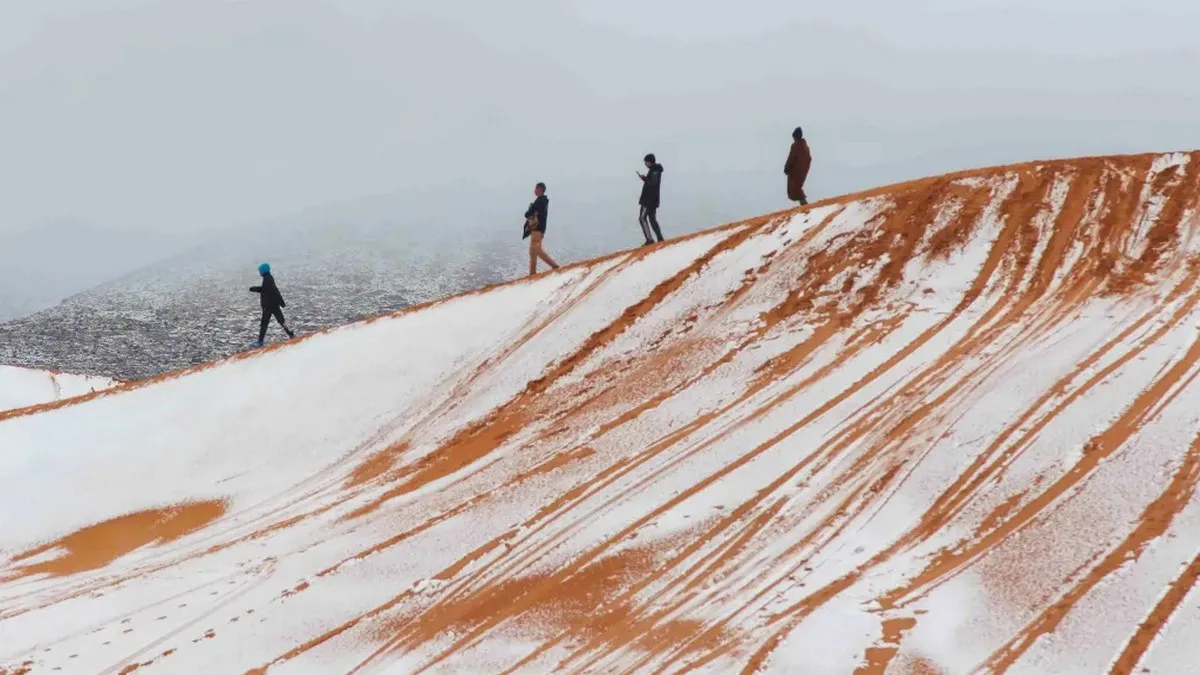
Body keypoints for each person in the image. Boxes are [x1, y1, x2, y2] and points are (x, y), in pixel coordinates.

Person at [249, 263, 295, 347]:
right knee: (281, 321)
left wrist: (253, 289)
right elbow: (274, 291)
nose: (259, 272)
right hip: (274, 305)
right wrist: (281, 302)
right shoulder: (269, 278)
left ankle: (260, 342)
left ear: (263, 271)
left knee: (264, 324)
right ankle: (290, 334)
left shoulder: (267, 279)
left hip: (269, 306)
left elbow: (266, 290)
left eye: (260, 271)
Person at [523, 182, 560, 276]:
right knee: (533, 251)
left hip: (537, 229)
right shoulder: (543, 201)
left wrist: (530, 210)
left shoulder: (540, 201)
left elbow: (528, 214)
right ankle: (532, 273)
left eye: (536, 188)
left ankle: (554, 266)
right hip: (539, 229)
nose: (534, 190)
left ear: (540, 189)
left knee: (536, 249)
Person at [637, 153, 665, 245]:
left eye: (646, 162)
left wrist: (644, 178)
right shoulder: (655, 170)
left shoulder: (655, 170)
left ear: (650, 162)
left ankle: (649, 240)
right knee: (652, 219)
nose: (645, 164)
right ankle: (660, 238)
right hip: (653, 199)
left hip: (648, 200)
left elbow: (652, 183)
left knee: (642, 218)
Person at [784, 126, 812, 206]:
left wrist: (787, 167)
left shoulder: (795, 146)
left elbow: (791, 157)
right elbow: (809, 158)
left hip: (795, 171)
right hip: (802, 170)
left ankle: (804, 203)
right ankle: (803, 202)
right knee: (797, 186)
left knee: (795, 187)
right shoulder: (805, 146)